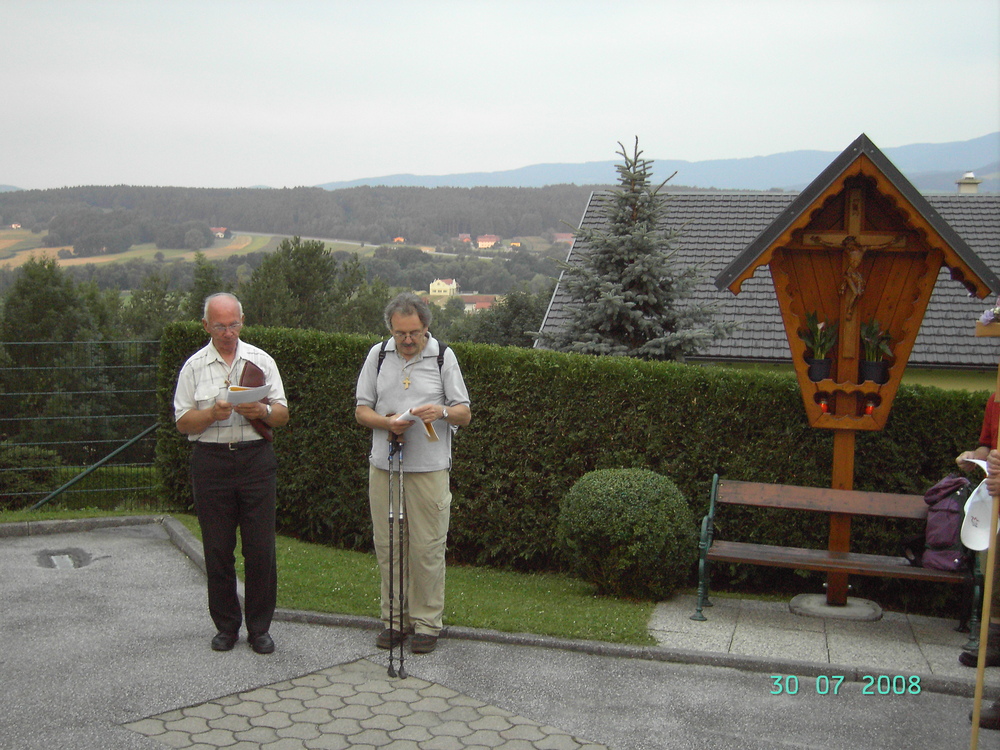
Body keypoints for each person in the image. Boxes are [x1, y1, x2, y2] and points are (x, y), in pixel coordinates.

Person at [173, 292, 289, 654]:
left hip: (256, 460)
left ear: (243, 321)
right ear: (205, 326)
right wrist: (211, 414)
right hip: (212, 462)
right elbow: (182, 422)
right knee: (218, 548)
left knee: (260, 549)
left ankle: (259, 629)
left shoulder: (261, 360)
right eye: (220, 326)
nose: (228, 333)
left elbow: (282, 414)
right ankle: (226, 627)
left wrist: (262, 411)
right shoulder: (194, 367)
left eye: (233, 324)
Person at [355, 292, 471, 654]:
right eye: (400, 333)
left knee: (427, 548)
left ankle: (427, 624)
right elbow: (362, 410)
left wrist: (441, 411)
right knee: (389, 545)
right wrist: (388, 423)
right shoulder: (377, 355)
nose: (407, 340)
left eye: (414, 333)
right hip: (385, 466)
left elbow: (464, 412)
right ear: (390, 329)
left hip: (429, 469)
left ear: (426, 328)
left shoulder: (443, 356)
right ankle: (394, 620)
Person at [957, 392, 1000, 729]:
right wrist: (976, 458)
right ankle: (994, 643)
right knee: (996, 589)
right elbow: (988, 444)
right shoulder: (997, 396)